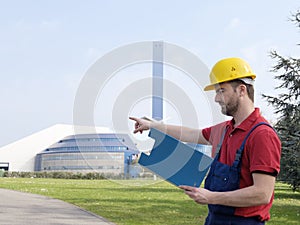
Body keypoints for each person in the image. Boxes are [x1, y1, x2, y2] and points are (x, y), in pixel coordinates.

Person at [129, 57, 281, 225]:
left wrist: (211, 196)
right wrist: (152, 125)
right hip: (215, 219)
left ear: (241, 90)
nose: (216, 98)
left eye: (221, 90)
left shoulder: (262, 135)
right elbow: (191, 134)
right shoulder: (225, 129)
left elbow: (262, 193)